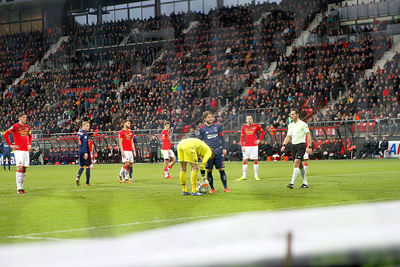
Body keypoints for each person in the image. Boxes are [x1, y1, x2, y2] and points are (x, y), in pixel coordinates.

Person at [198, 111, 230, 193]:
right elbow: (200, 142)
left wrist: (224, 148)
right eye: (209, 117)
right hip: (208, 153)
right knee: (209, 170)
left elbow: (222, 138)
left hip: (218, 150)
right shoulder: (202, 129)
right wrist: (201, 154)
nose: (211, 118)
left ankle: (226, 187)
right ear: (205, 119)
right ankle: (212, 188)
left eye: (211, 117)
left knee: (221, 169)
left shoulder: (218, 126)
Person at [281, 109, 312, 189]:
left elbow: (308, 135)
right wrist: (284, 145)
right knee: (300, 165)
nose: (292, 116)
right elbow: (288, 136)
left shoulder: (303, 124)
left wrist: (309, 146)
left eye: (293, 114)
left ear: (297, 115)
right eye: (291, 114)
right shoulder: (290, 125)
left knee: (296, 163)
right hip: (293, 146)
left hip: (301, 146)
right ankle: (305, 183)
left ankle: (292, 183)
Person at [3, 113, 32, 194]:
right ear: (19, 118)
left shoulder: (27, 127)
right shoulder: (15, 126)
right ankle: (19, 189)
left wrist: (30, 144)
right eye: (23, 117)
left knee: (24, 168)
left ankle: (22, 188)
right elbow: (5, 134)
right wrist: (10, 145)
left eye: (26, 117)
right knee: (19, 167)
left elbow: (30, 136)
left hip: (25, 150)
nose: (25, 119)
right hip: (18, 150)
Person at [238, 115, 265, 181]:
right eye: (248, 119)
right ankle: (244, 176)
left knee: (255, 160)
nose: (249, 120)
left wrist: (259, 140)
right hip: (246, 146)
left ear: (252, 119)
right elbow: (242, 137)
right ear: (246, 120)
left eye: (250, 118)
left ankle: (256, 176)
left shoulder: (256, 126)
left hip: (254, 146)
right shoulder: (243, 127)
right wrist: (242, 146)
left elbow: (263, 132)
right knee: (245, 160)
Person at [75, 121, 92, 186]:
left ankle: (78, 177)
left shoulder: (79, 133)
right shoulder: (85, 134)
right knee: (88, 166)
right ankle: (87, 182)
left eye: (89, 126)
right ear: (83, 126)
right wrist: (86, 153)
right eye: (87, 126)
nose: (88, 127)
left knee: (82, 166)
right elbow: (85, 144)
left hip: (80, 150)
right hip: (84, 151)